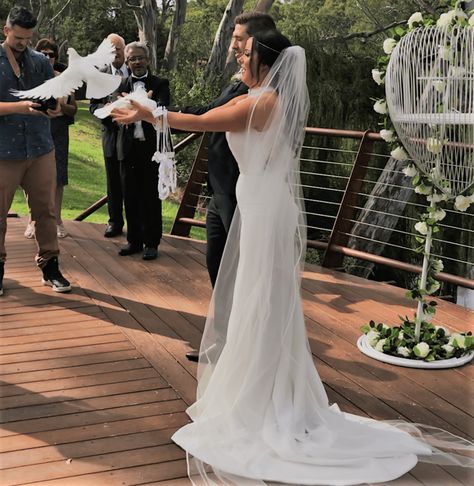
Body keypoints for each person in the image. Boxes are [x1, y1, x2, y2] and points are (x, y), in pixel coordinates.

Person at [113, 30, 473, 485]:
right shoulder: (257, 94)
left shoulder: (264, 104)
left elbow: (199, 123)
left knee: (263, 299)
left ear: (265, 62)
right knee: (258, 297)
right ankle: (261, 390)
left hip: (265, 207)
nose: (239, 60)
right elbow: (204, 116)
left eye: (246, 55)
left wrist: (150, 110)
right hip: (260, 200)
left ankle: (263, 400)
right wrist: (151, 111)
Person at [180, 11, 276, 361]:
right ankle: (223, 342)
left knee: (240, 274)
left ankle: (241, 348)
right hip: (221, 190)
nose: (234, 46)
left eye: (240, 41)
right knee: (218, 268)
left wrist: (155, 114)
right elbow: (209, 113)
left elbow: (207, 117)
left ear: (257, 43)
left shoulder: (262, 92)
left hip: (244, 195)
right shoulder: (245, 81)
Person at [0, 6, 71, 296]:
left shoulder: (40, 60)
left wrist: (56, 105)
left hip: (41, 148)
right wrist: (21, 106)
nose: (23, 44)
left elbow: (57, 93)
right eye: (18, 38)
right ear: (6, 31)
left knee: (46, 211)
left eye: (28, 39)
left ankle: (50, 267)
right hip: (3, 151)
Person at [116, 41, 170, 260]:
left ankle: (152, 243)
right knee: (130, 196)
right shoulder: (120, 85)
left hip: (151, 149)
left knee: (150, 196)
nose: (136, 62)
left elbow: (164, 110)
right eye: (132, 59)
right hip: (128, 148)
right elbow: (112, 114)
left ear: (148, 60)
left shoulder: (160, 84)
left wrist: (143, 106)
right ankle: (134, 241)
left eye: (140, 58)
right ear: (127, 63)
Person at [24, 38, 77, 240]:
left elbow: (72, 110)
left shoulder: (66, 79)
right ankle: (32, 220)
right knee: (31, 178)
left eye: (51, 54)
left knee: (58, 178)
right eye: (43, 54)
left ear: (56, 57)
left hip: (58, 132)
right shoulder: (29, 76)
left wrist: (60, 105)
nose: (47, 58)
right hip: (34, 130)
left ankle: (57, 220)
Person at [90, 33, 128, 238]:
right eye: (111, 51)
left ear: (124, 50)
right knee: (113, 182)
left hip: (134, 138)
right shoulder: (100, 75)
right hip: (111, 136)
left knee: (133, 182)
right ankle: (114, 222)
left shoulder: (135, 70)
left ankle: (137, 225)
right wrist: (107, 109)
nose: (115, 55)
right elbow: (93, 106)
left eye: (118, 50)